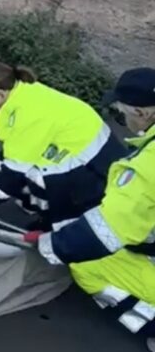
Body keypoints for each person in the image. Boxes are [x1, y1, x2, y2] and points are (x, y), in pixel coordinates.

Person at [24, 68, 155, 350]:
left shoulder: (147, 165)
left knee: (87, 265)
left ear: (143, 114)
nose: (122, 121)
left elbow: (105, 231)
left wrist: (51, 244)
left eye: (121, 114)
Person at [0, 60, 127, 230]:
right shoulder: (25, 92)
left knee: (38, 178)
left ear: (0, 95)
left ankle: (55, 228)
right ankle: (38, 209)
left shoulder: (25, 116)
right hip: (96, 154)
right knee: (2, 162)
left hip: (92, 171)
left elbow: (12, 175)